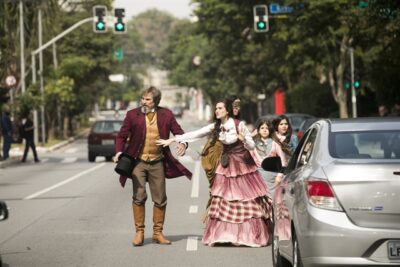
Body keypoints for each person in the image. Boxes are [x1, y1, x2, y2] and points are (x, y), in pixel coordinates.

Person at [157, 98, 273, 247]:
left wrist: (244, 139)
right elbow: (196, 134)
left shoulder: (239, 125)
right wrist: (173, 140)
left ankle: (247, 235)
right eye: (216, 108)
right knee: (223, 199)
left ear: (227, 110)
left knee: (244, 200)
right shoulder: (216, 126)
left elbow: (251, 147)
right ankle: (226, 235)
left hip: (243, 166)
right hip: (226, 166)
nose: (216, 110)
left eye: (219, 108)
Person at [113, 86, 192, 247]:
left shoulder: (166, 114)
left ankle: (157, 233)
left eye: (147, 99)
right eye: (142, 98)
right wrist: (119, 152)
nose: (143, 101)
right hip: (138, 162)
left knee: (160, 199)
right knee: (139, 196)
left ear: (156, 100)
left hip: (158, 162)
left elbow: (179, 132)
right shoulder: (132, 115)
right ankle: (139, 232)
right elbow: (121, 136)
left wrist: (183, 143)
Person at [253, 119, 288, 198]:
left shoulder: (275, 144)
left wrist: (280, 175)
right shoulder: (253, 144)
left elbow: (283, 160)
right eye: (262, 128)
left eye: (267, 128)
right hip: (258, 177)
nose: (265, 130)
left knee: (273, 199)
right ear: (258, 130)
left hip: (272, 178)